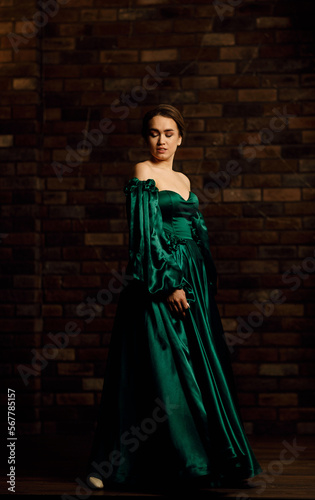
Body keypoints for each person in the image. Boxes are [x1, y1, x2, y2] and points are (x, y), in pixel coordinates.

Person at [84, 104, 262, 492]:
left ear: (180, 137)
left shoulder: (182, 178)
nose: (160, 140)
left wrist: (198, 279)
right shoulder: (142, 172)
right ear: (145, 138)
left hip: (192, 279)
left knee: (198, 369)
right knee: (156, 369)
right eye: (152, 133)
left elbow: (195, 232)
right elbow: (143, 235)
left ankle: (208, 459)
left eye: (168, 133)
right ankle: (121, 464)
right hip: (159, 279)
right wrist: (169, 284)